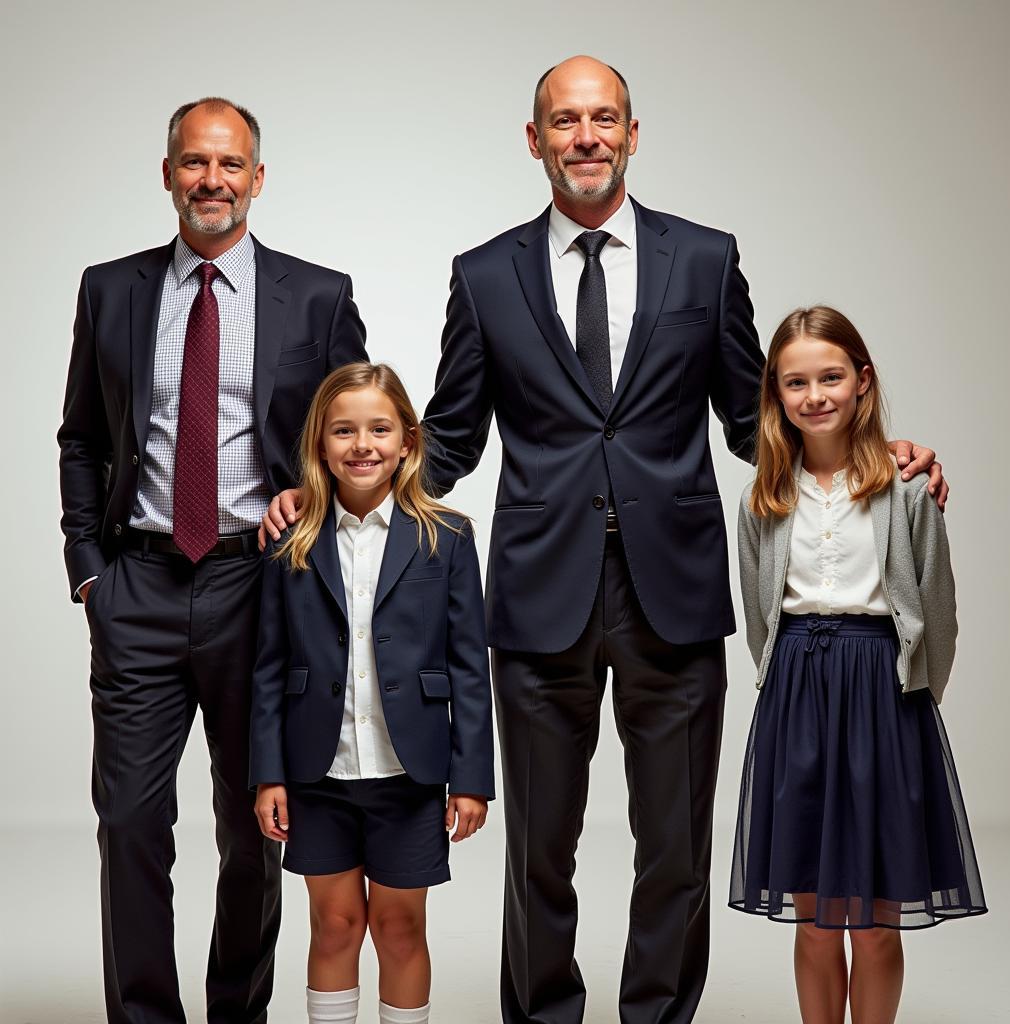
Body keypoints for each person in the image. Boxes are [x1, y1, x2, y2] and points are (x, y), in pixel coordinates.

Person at [262, 57, 945, 1024]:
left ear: (632, 132)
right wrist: (322, 498)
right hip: (540, 598)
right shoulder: (486, 273)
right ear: (534, 139)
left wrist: (881, 449)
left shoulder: (704, 260)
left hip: (674, 590)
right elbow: (447, 440)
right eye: (564, 121)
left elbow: (757, 426)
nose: (585, 137)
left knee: (673, 847)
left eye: (603, 119)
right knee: (540, 845)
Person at [57, 97, 368, 1024]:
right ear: (167, 175)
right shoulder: (110, 289)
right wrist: (87, 570)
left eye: (231, 165)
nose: (212, 181)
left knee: (254, 828)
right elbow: (80, 437)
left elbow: (355, 439)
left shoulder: (318, 295)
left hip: (260, 588)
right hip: (140, 584)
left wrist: (312, 496)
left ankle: (238, 1011)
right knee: (132, 825)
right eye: (195, 163)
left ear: (258, 179)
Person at [729, 306, 986, 1024]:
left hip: (883, 696)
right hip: (796, 697)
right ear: (776, 395)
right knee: (813, 918)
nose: (815, 396)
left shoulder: (908, 489)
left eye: (831, 377)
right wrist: (789, 687)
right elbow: (759, 617)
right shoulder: (762, 499)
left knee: (875, 922)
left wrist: (909, 704)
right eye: (796, 382)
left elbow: (938, 612)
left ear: (862, 382)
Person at [250, 362, 494, 1024]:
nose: (363, 445)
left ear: (408, 440)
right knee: (333, 926)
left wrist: (471, 779)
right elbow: (269, 666)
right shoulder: (287, 542)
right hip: (315, 774)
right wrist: (267, 774)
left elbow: (470, 666)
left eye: (380, 429)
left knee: (400, 929)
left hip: (409, 776)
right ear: (320, 445)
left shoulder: (447, 537)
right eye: (344, 431)